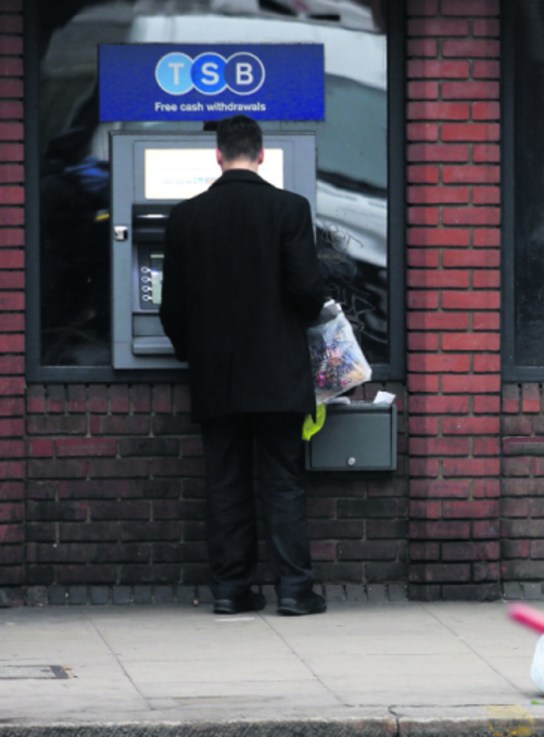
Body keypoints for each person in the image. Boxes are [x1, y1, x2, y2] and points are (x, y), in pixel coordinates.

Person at [160, 115, 327, 617]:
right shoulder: (289, 209)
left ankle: (231, 591)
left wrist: (197, 349)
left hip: (218, 374)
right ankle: (294, 591)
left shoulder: (186, 216)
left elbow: (172, 308)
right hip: (278, 372)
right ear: (261, 155)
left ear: (217, 155)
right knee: (282, 482)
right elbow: (306, 292)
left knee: (226, 482)